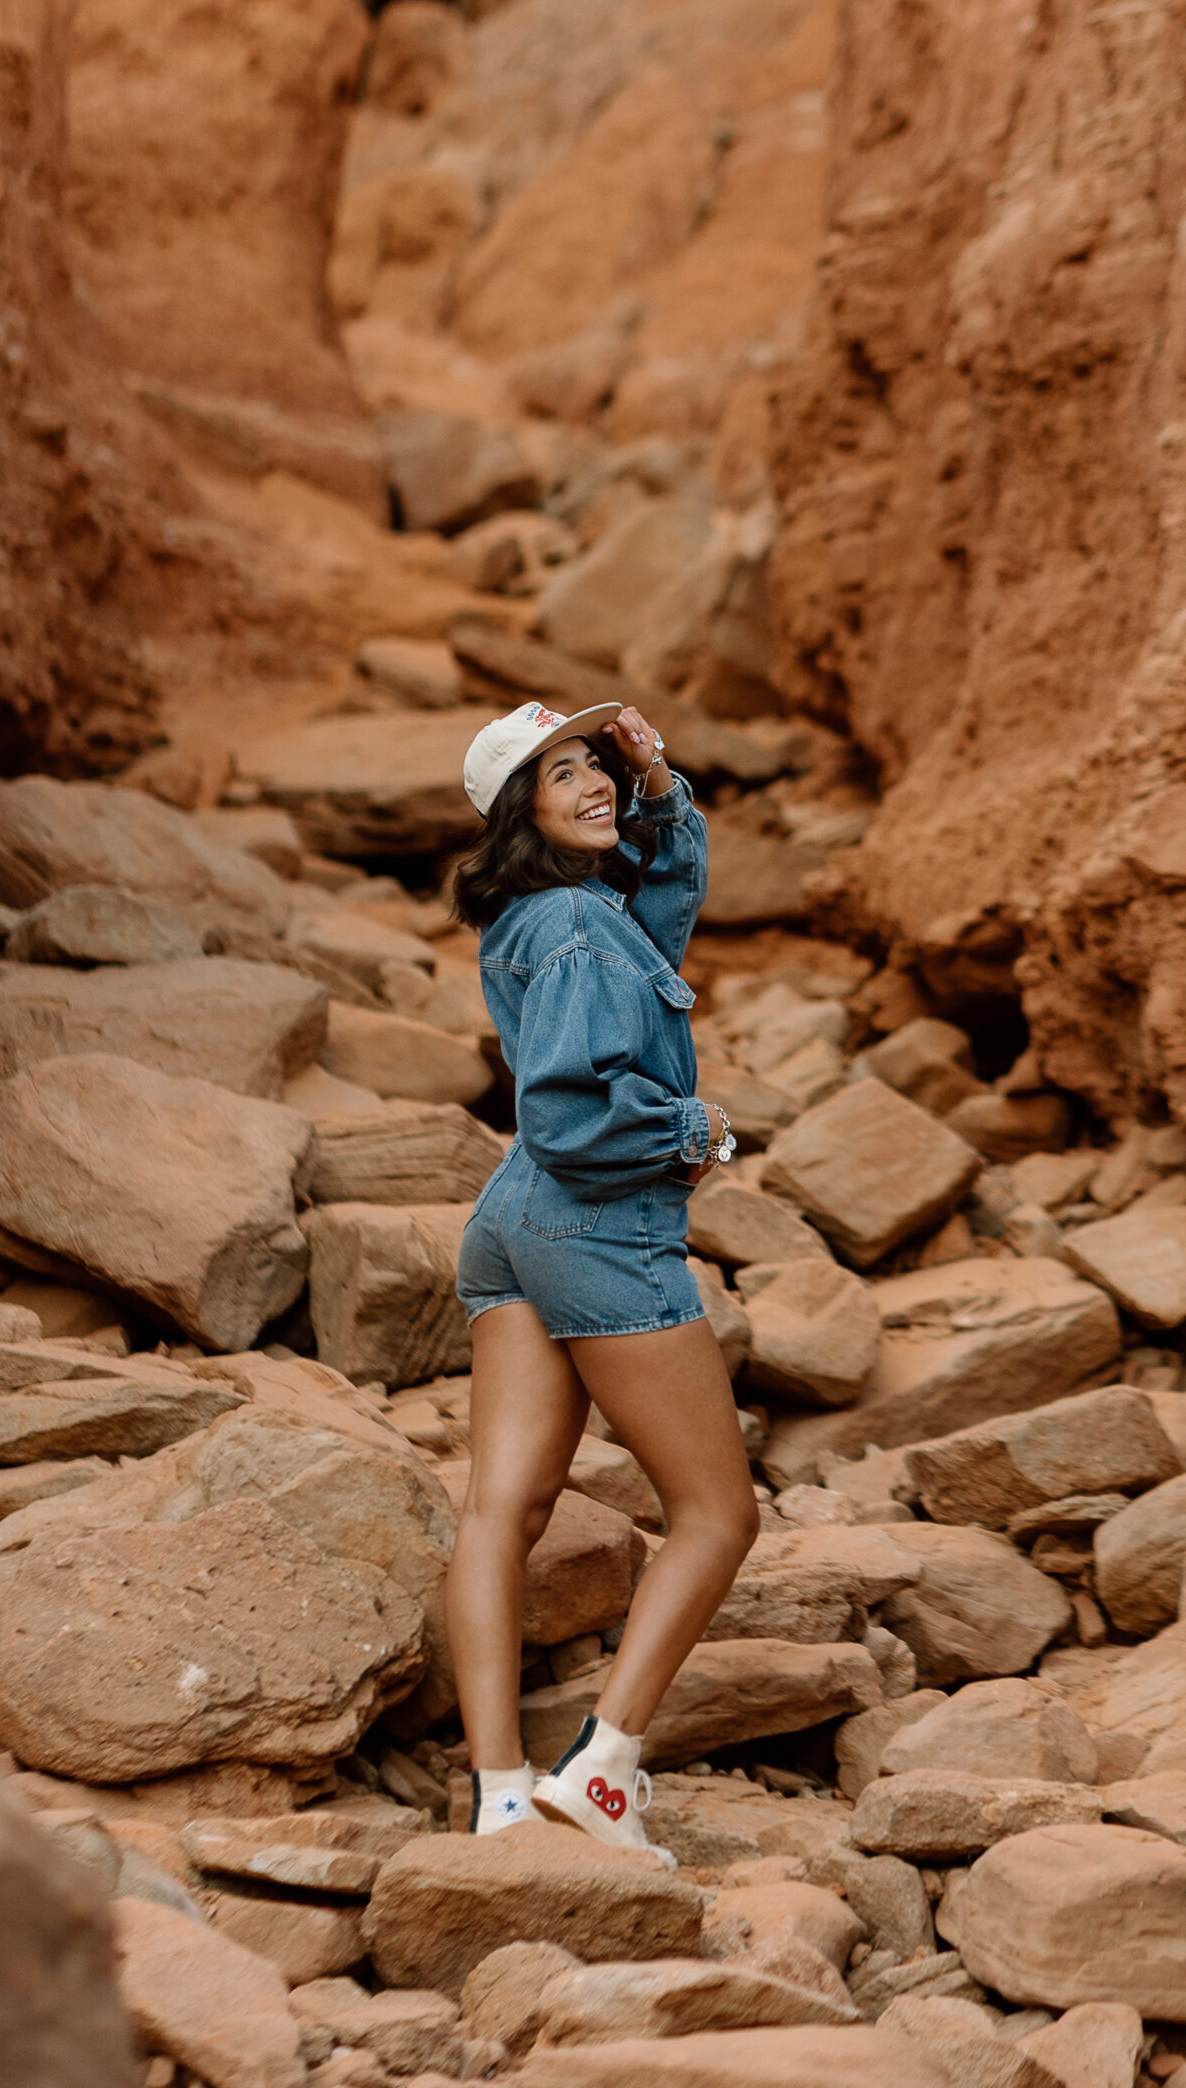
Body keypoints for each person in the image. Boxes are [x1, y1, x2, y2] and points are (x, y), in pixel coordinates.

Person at [444, 697, 759, 1859]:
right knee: (719, 1515)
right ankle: (605, 1769)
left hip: (510, 1223)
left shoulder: (549, 916)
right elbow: (575, 1115)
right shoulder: (580, 925)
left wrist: (659, 783)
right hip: (591, 1222)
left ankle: (501, 1791)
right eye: (559, 774)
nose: (592, 785)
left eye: (595, 766)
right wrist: (699, 1131)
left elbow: (662, 912)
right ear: (518, 811)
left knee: (501, 1508)